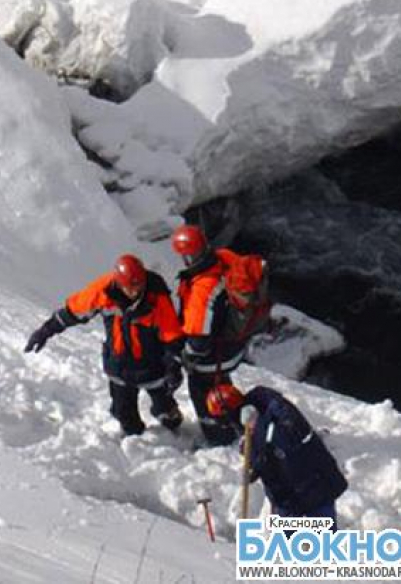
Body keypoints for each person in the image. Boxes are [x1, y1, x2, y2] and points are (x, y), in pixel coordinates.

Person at [25, 254, 184, 437]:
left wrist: (174, 365)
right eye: (130, 287)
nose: (135, 291)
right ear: (119, 283)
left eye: (139, 285)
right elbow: (74, 312)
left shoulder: (157, 296)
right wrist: (46, 331)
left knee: (170, 416)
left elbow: (171, 333)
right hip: (119, 367)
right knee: (127, 421)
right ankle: (138, 445)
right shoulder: (103, 291)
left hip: (152, 366)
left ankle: (168, 416)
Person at [171, 224, 269, 446]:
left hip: (214, 358)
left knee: (203, 395)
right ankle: (237, 418)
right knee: (221, 388)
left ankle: (220, 437)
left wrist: (184, 358)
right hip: (232, 346)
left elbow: (199, 341)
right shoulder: (224, 259)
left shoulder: (203, 289)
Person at [206, 384, 348, 528]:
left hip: (312, 483)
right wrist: (254, 467)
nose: (226, 425)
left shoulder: (271, 407)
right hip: (286, 494)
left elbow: (288, 435)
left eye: (223, 419)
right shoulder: (246, 423)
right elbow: (263, 452)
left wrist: (259, 428)